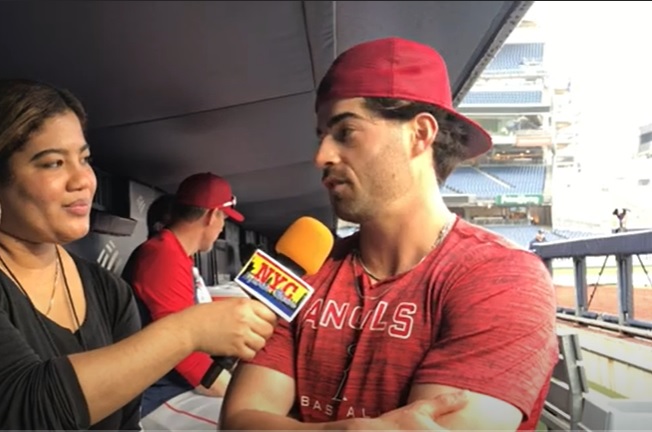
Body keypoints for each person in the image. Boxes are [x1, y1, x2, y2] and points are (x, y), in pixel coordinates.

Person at [0, 79, 278, 430]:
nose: (83, 180)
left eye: (84, 159)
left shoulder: (107, 291)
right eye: (52, 163)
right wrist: (186, 332)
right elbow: (26, 410)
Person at [220, 37, 558, 431]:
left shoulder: (502, 277)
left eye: (346, 132)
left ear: (420, 134)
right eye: (321, 136)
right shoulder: (302, 271)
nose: (321, 156)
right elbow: (239, 421)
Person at [126, 172, 243, 430]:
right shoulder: (162, 254)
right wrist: (238, 392)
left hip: (178, 386)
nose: (222, 227)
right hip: (156, 394)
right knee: (250, 423)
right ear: (212, 215)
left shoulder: (178, 254)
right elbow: (181, 352)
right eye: (223, 218)